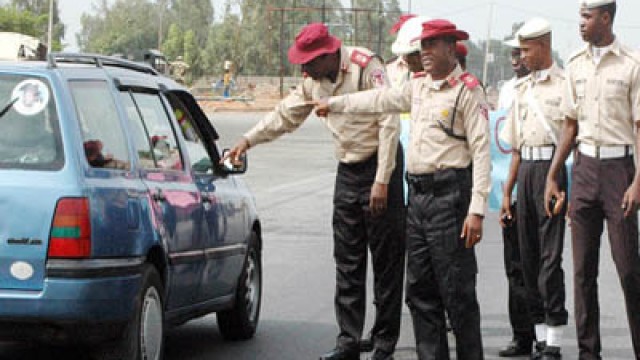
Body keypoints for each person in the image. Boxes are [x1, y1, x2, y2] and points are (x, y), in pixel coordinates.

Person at [224, 23, 405, 360]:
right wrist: (248, 140)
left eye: (308, 62)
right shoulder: (312, 82)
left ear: (327, 55)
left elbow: (389, 121)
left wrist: (382, 179)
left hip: (382, 166)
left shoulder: (367, 67)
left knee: (386, 262)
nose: (302, 69)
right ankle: (348, 342)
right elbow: (284, 116)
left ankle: (384, 343)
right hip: (348, 171)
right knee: (348, 263)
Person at [314, 19, 491, 360]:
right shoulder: (418, 87)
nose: (424, 53)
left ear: (450, 48)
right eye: (421, 46)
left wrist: (477, 209)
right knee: (420, 293)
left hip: (450, 199)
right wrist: (335, 104)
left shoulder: (468, 91)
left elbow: (481, 151)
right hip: (419, 200)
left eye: (432, 45)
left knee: (457, 295)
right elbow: (378, 100)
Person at [544, 1, 640, 358]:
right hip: (584, 169)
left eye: (587, 16)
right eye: (580, 16)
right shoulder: (574, 64)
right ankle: (589, 353)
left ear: (606, 18)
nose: (580, 23)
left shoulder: (632, 64)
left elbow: (639, 127)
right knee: (583, 273)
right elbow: (570, 125)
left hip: (620, 171)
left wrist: (638, 181)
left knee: (629, 270)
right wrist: (554, 175)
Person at [499, 18, 568, 359]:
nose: (522, 56)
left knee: (549, 259)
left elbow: (573, 133)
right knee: (527, 259)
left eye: (526, 49)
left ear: (543, 45)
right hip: (525, 170)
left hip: (550, 173)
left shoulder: (565, 85)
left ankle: (554, 340)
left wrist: (558, 178)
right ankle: (540, 337)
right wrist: (507, 193)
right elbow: (514, 148)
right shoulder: (521, 90)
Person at [494, 28, 536, 358]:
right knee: (515, 266)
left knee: (543, 264)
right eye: (512, 53)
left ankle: (545, 334)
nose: (515, 59)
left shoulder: (551, 86)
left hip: (538, 186)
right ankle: (521, 334)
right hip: (510, 187)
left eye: (520, 52)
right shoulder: (507, 91)